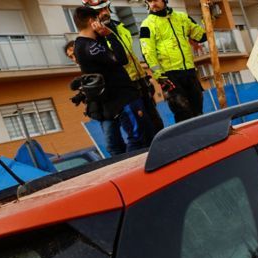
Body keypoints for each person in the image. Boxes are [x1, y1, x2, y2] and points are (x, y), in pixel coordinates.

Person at [81, 0, 164, 137]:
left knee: (156, 124)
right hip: (126, 87)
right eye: (99, 11)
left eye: (105, 8)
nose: (104, 13)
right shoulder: (95, 38)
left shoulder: (120, 27)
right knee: (141, 130)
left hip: (141, 81)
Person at [73, 6, 149, 155]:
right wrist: (110, 35)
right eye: (97, 20)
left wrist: (101, 36)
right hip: (121, 98)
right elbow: (121, 59)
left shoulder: (86, 44)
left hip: (117, 98)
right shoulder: (89, 46)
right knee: (137, 137)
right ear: (91, 21)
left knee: (136, 136)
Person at [139, 0, 206, 122]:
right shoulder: (146, 25)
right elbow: (148, 53)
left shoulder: (182, 17)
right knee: (183, 114)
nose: (152, 4)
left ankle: (203, 139)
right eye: (149, 1)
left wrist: (207, 18)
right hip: (169, 75)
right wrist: (159, 76)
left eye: (156, 0)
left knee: (198, 110)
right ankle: (188, 140)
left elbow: (201, 36)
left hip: (189, 71)